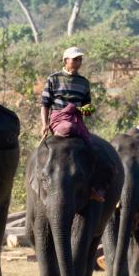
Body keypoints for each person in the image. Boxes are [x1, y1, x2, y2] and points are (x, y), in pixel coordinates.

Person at [40, 47, 106, 200]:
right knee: (68, 128)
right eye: (74, 59)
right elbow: (45, 104)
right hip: (59, 117)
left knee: (93, 149)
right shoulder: (53, 79)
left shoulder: (84, 82)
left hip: (76, 118)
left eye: (80, 59)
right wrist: (44, 124)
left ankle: (94, 188)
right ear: (65, 61)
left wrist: (87, 109)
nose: (77, 62)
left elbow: (87, 105)